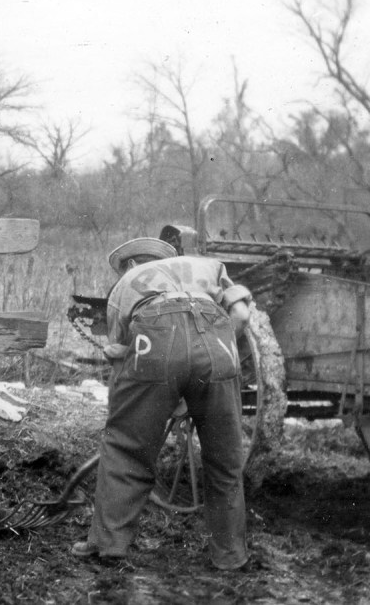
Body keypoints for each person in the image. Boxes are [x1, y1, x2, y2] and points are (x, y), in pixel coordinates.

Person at [71, 236, 253, 570]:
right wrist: (209, 359)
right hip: (218, 342)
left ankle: (108, 546)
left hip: (155, 338)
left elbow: (122, 358)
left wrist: (143, 409)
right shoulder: (209, 266)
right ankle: (231, 557)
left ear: (130, 264)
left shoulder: (124, 285)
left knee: (126, 448)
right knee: (225, 461)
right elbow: (240, 314)